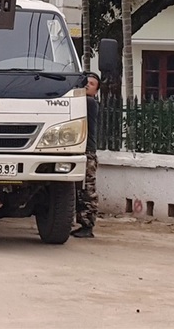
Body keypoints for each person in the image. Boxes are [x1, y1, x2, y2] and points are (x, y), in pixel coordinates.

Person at [71, 72, 100, 238]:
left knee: (86, 190)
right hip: (80, 150)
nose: (87, 85)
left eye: (91, 84)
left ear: (96, 91)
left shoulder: (89, 102)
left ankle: (87, 224)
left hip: (87, 152)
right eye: (86, 82)